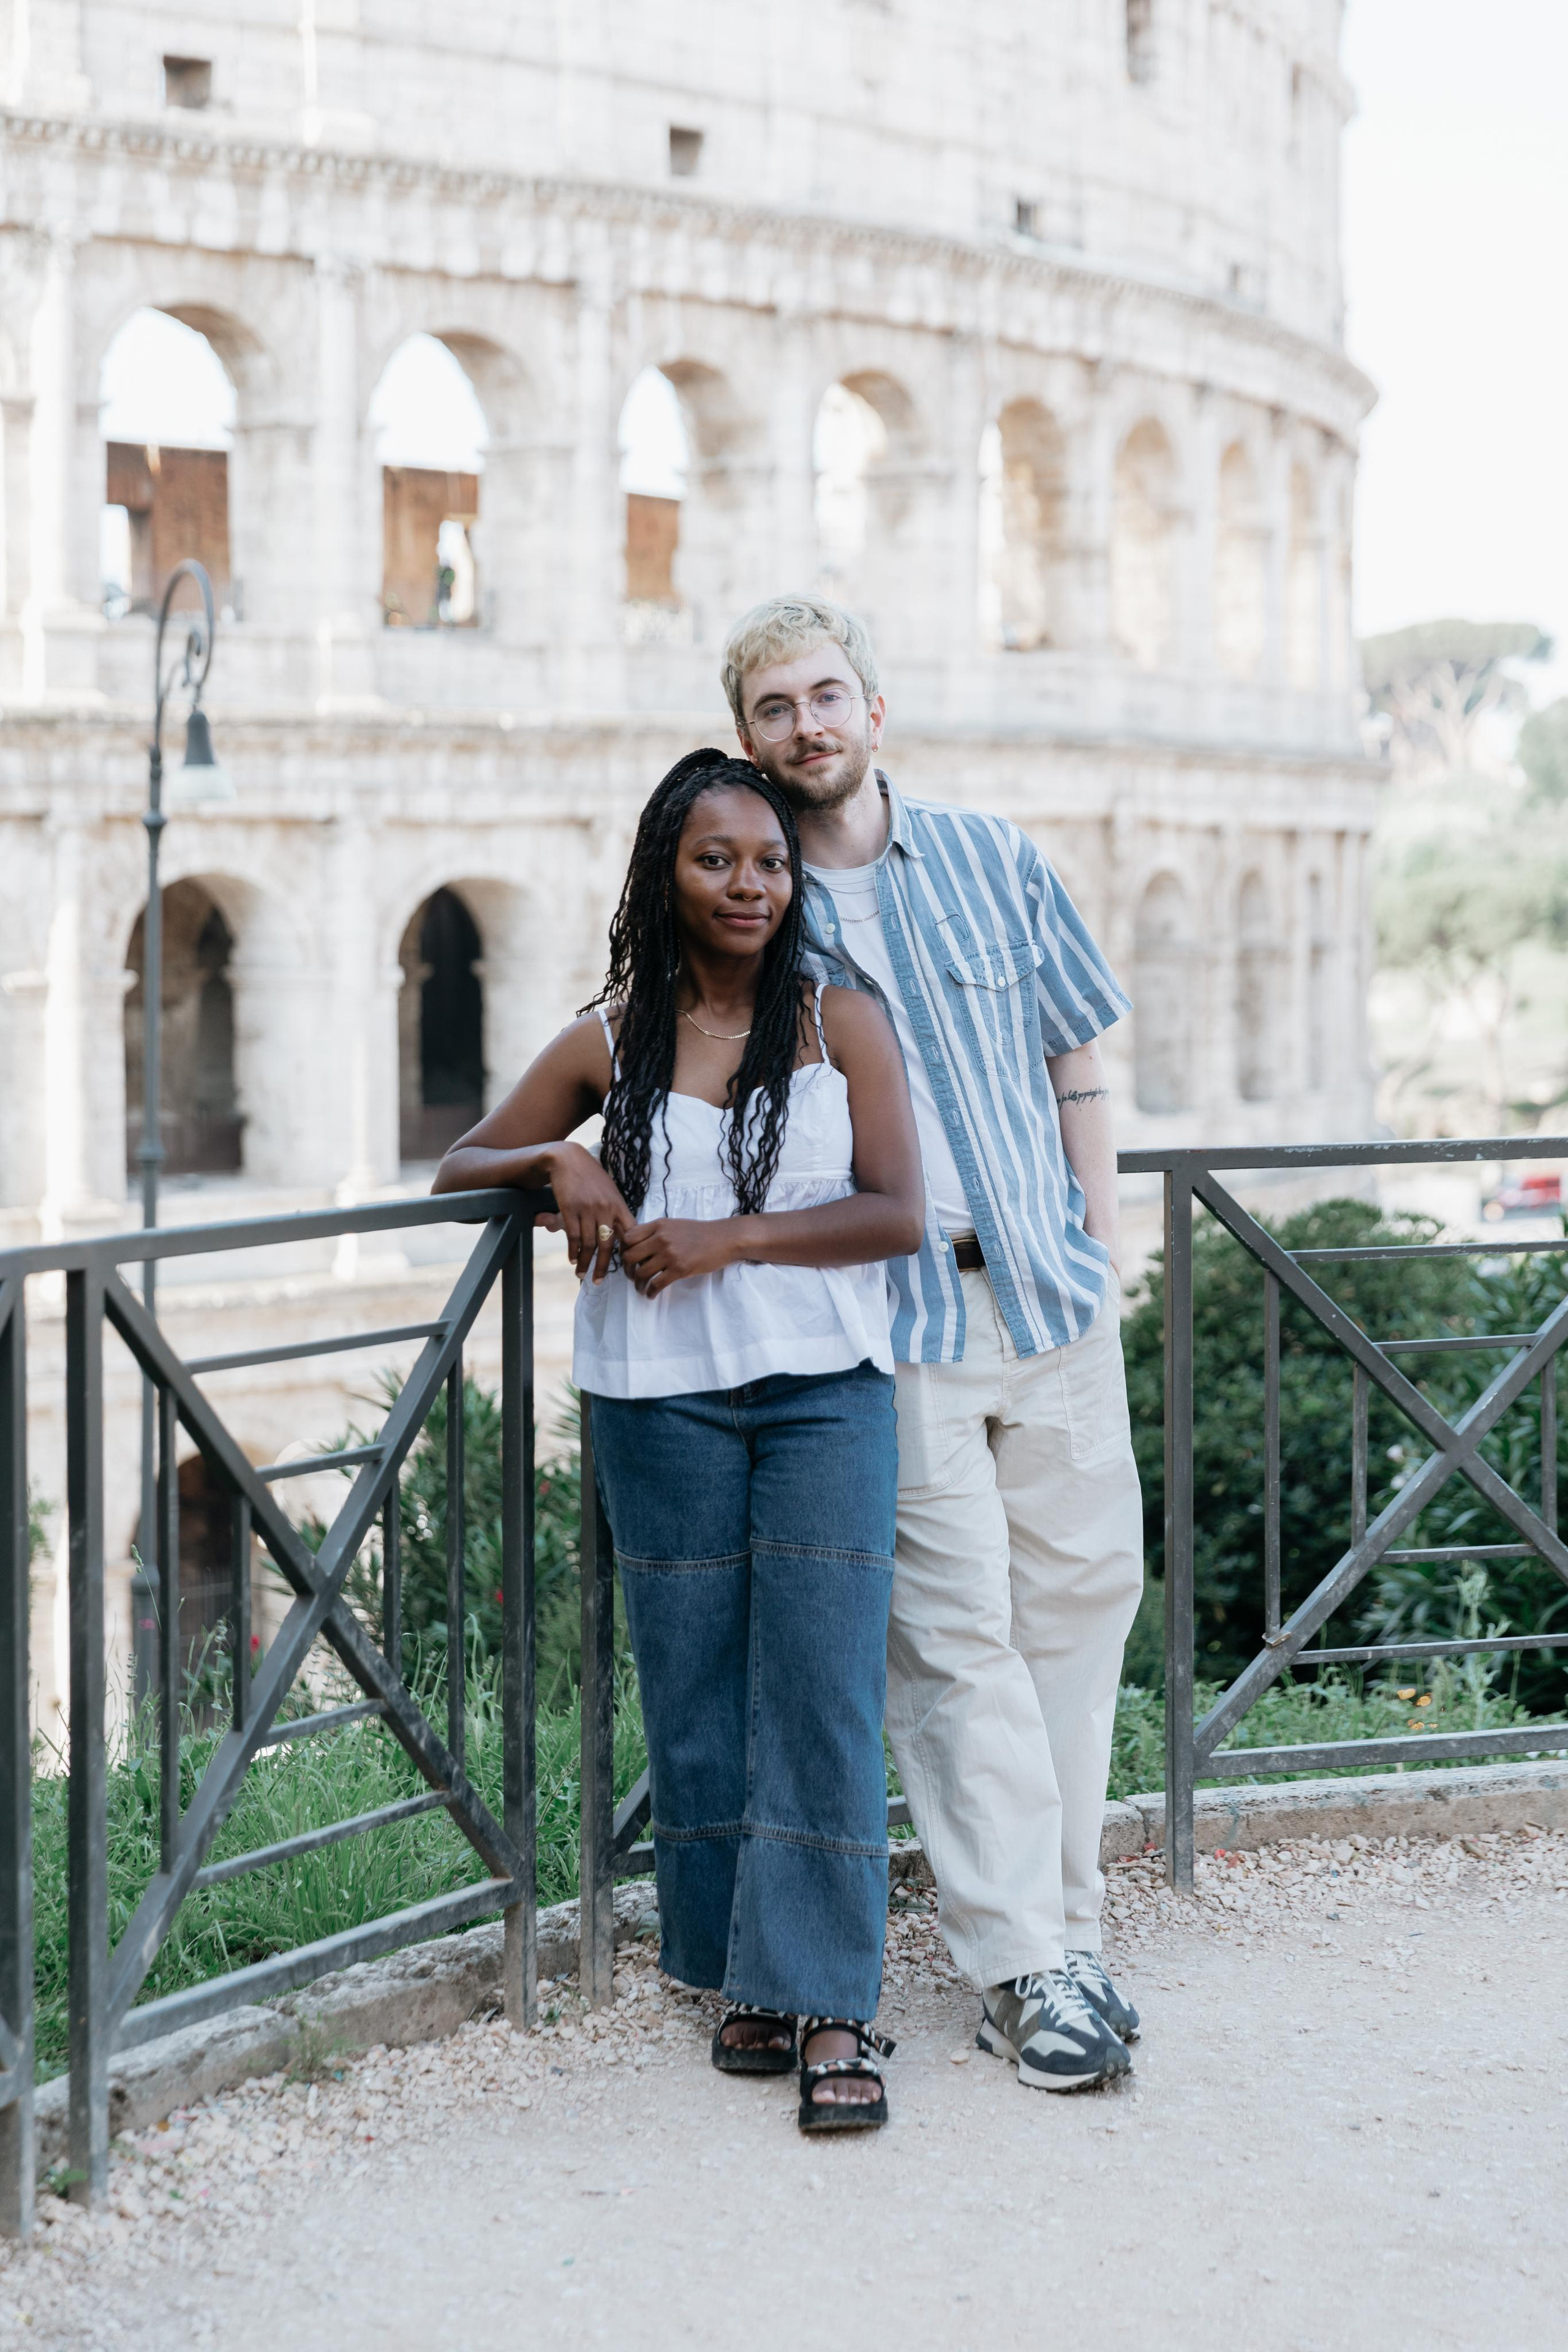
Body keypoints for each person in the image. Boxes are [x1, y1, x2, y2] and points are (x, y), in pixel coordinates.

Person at [432, 748, 924, 2131]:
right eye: (717, 859)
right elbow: (457, 1162)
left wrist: (729, 1238)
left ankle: (833, 2005)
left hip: (826, 1389)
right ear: (667, 871)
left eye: (769, 861)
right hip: (657, 1401)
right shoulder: (613, 1035)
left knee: (820, 1689)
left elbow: (895, 1211)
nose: (749, 885)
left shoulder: (842, 1020)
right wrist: (559, 1160)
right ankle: (738, 1976)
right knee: (697, 1694)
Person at [720, 595, 1145, 2092]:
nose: (807, 727)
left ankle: (1067, 1934)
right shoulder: (755, 910)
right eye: (775, 710)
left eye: (825, 696)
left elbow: (1073, 1046)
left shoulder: (992, 855)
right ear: (750, 741)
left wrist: (1096, 1237)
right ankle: (1026, 1962)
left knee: (1082, 1609)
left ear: (873, 709)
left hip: (1044, 1291)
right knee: (953, 1645)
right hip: (888, 1331)